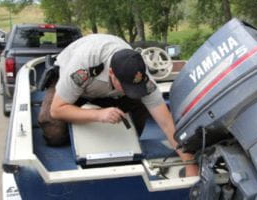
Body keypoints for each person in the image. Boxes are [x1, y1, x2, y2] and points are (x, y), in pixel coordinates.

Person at [40, 34, 198, 177]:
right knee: (54, 134)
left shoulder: (141, 76)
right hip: (77, 88)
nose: (133, 90)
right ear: (111, 73)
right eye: (127, 86)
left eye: (135, 87)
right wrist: (98, 115)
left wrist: (190, 164)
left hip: (110, 94)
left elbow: (165, 122)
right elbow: (56, 110)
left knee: (131, 130)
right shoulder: (83, 67)